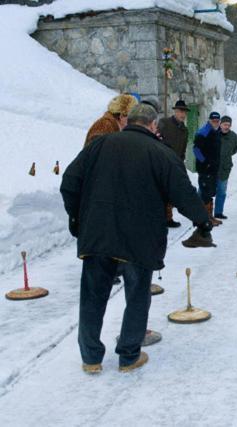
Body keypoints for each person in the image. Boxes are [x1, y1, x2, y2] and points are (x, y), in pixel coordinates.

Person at [60, 104, 213, 374]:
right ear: (153, 125)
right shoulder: (160, 153)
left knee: (93, 295)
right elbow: (183, 192)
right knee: (138, 294)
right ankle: (129, 356)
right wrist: (202, 220)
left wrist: (77, 218)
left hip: (97, 234)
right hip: (139, 238)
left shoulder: (99, 145)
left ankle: (91, 357)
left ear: (128, 121)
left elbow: (70, 181)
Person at [158, 100, 190, 228]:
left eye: (184, 112)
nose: (183, 114)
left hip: (175, 165)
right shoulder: (164, 123)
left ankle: (168, 218)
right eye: (180, 111)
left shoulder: (185, 130)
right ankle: (160, 218)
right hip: (161, 162)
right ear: (175, 111)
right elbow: (155, 140)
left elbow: (183, 149)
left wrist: (180, 163)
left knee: (170, 193)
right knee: (160, 192)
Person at [193, 112, 223, 226]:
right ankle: (203, 218)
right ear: (209, 120)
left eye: (217, 121)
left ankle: (209, 217)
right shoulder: (204, 132)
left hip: (213, 169)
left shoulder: (217, 132)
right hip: (205, 169)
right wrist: (205, 163)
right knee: (205, 193)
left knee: (209, 192)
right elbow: (196, 149)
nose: (216, 123)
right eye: (213, 121)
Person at [214, 115, 237, 219]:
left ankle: (218, 212)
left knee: (221, 191)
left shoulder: (234, 137)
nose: (226, 127)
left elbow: (234, 150)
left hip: (224, 168)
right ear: (220, 124)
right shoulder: (213, 134)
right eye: (225, 124)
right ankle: (202, 212)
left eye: (229, 125)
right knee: (205, 191)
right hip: (212, 168)